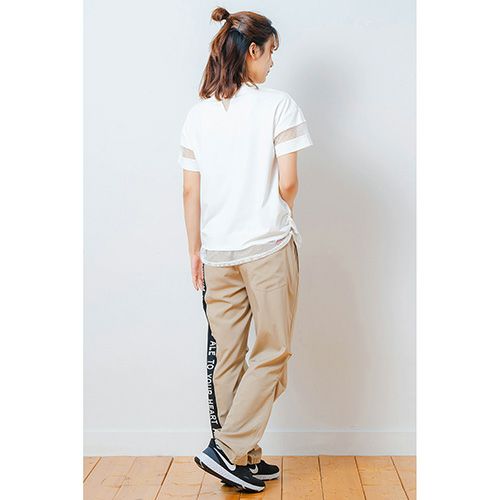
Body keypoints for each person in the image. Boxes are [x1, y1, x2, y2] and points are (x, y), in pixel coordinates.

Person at [179, 6, 313, 493]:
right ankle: (228, 449)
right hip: (268, 247)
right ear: (252, 50)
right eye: (271, 51)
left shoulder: (197, 115)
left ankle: (242, 459)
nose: (273, 62)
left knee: (230, 358)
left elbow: (190, 192)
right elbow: (289, 182)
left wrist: (195, 250)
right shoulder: (279, 106)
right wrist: (278, 213)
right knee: (273, 351)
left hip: (216, 254)